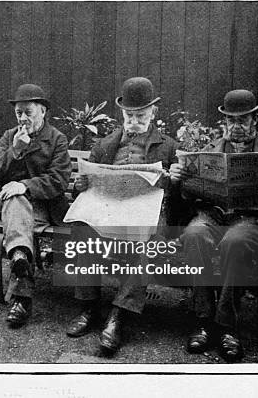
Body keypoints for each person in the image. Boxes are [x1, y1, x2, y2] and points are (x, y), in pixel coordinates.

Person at [67, 77, 180, 356]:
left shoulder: (168, 147)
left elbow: (180, 198)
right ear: (122, 113)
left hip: (148, 213)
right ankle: (89, 306)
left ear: (153, 113)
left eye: (140, 115)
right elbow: (86, 183)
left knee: (148, 238)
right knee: (83, 228)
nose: (134, 121)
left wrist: (171, 182)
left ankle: (119, 316)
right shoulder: (105, 145)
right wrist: (80, 185)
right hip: (109, 209)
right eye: (129, 115)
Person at [169, 89, 258, 362]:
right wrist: (179, 180)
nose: (237, 127)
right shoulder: (210, 152)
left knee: (235, 241)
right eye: (231, 121)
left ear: (255, 120)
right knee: (194, 233)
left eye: (243, 120)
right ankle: (203, 320)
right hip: (213, 215)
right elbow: (185, 199)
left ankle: (227, 325)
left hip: (250, 219)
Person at [0, 84, 71, 327]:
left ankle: (21, 294)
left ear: (43, 111)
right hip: (10, 205)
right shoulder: (9, 137)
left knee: (17, 200)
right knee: (14, 200)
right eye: (18, 113)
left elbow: (58, 180)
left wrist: (25, 185)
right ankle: (21, 258)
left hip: (43, 208)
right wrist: (15, 150)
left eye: (29, 112)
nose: (23, 119)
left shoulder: (57, 139)